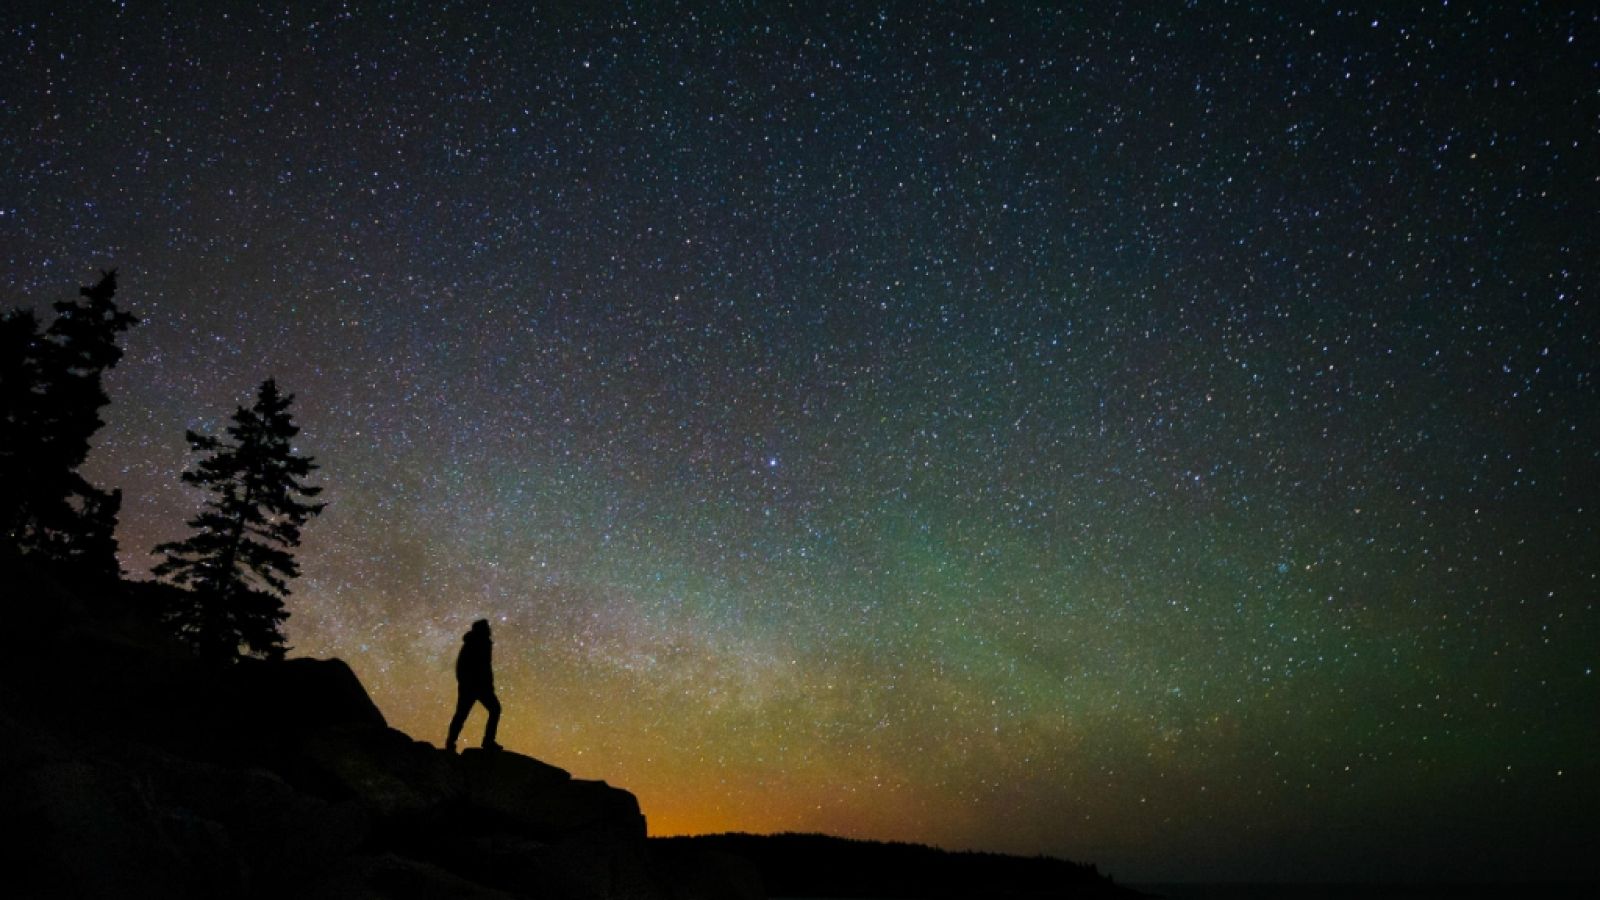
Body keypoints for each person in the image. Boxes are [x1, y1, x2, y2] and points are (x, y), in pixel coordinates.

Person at [446, 618, 502, 752]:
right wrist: (480, 684)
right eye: (487, 627)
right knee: (492, 710)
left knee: (462, 714)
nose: (490, 629)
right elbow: (480, 667)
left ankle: (451, 743)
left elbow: (468, 666)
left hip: (474, 686)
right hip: (476, 686)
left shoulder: (475, 642)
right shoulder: (478, 643)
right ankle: (487, 742)